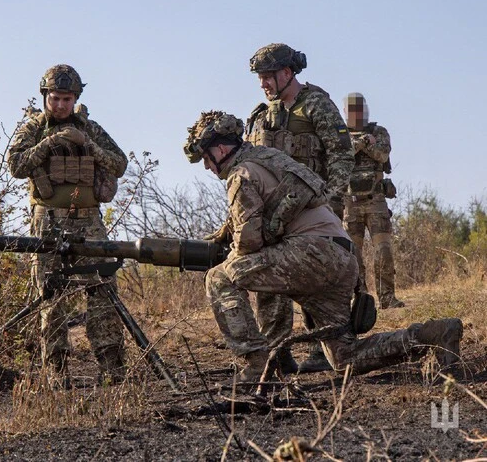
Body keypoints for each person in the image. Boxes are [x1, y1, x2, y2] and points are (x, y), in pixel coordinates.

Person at [184, 110, 462, 385]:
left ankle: (258, 367)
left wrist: (226, 256)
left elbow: (249, 242)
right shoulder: (271, 160)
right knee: (345, 357)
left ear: (220, 149)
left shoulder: (241, 174)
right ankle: (431, 336)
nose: (208, 167)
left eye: (207, 159)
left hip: (311, 254)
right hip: (341, 257)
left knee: (220, 277)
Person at [7, 64, 128, 387]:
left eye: (67, 99)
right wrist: (49, 144)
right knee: (51, 297)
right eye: (56, 98)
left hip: (89, 221)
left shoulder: (91, 129)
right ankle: (57, 376)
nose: (60, 105)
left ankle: (113, 371)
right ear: (45, 96)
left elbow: (119, 164)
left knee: (102, 291)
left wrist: (89, 146)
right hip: (47, 222)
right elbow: (15, 165)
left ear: (76, 99)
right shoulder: (33, 128)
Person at [244, 43, 356, 372]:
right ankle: (278, 353)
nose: (263, 84)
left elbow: (341, 154)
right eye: (259, 78)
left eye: (267, 77)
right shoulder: (262, 115)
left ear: (287, 73)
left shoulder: (316, 104)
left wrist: (328, 199)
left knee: (315, 281)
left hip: (313, 213)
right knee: (270, 280)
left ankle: (324, 349)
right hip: (276, 213)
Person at [344, 92, 405, 310]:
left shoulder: (379, 132)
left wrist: (366, 144)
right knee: (353, 255)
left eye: (359, 109)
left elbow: (382, 154)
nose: (356, 113)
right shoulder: (339, 134)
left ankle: (387, 298)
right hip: (350, 204)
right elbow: (341, 154)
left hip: (376, 201)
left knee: (384, 250)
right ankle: (360, 299)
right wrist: (362, 142)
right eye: (351, 110)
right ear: (345, 112)